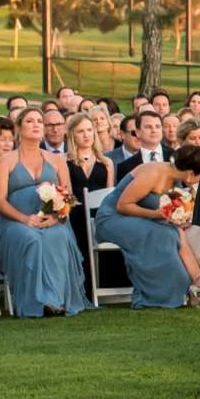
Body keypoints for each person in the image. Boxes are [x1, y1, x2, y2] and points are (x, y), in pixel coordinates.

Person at [0, 108, 91, 318]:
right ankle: (35, 302)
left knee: (58, 237)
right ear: (18, 127)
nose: (37, 125)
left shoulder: (57, 160)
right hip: (16, 222)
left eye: (40, 121)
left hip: (52, 221)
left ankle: (54, 301)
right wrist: (25, 219)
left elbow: (69, 198)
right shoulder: (6, 161)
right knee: (31, 239)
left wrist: (54, 218)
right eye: (30, 121)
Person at [94, 142, 200, 307]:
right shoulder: (153, 172)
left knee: (173, 231)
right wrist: (157, 215)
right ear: (191, 174)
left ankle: (195, 280)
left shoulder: (175, 182)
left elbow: (176, 229)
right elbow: (122, 205)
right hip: (112, 219)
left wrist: (197, 275)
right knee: (165, 232)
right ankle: (151, 294)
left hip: (143, 222)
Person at [65, 115, 118, 295]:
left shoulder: (106, 162)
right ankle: (82, 286)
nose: (86, 135)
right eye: (81, 131)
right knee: (78, 220)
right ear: (73, 135)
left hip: (100, 214)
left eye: (89, 130)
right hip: (76, 214)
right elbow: (68, 194)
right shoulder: (66, 162)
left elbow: (110, 193)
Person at [117, 111, 166, 180]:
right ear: (137, 132)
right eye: (148, 127)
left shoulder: (176, 156)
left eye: (157, 126)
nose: (154, 130)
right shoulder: (125, 167)